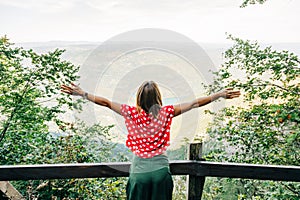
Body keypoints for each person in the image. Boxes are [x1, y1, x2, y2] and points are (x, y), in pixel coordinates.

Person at [61, 81, 240, 200]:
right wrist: (218, 95)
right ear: (158, 98)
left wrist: (82, 93)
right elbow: (194, 103)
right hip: (161, 171)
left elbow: (106, 102)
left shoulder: (130, 113)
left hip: (139, 172)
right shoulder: (167, 112)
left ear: (139, 98)